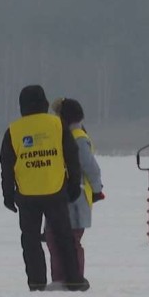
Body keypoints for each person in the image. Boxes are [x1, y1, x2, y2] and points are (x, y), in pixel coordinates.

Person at [0, 85, 88, 291]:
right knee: (64, 237)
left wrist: (7, 195)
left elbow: (6, 166)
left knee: (30, 241)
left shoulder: (13, 130)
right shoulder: (57, 125)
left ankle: (36, 282)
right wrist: (74, 185)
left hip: (26, 194)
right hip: (55, 190)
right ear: (44, 103)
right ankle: (74, 280)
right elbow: (72, 157)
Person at [43, 98, 104, 284]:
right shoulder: (68, 136)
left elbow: (91, 167)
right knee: (56, 239)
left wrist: (96, 189)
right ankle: (62, 279)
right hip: (64, 197)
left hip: (76, 200)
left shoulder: (77, 138)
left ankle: (73, 278)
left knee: (70, 240)